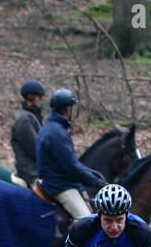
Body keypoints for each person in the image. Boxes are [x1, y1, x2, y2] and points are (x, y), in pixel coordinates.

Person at [36, 88, 106, 220]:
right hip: (59, 185)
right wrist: (95, 182)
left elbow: (72, 162)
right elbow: (71, 166)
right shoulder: (58, 133)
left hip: (59, 181)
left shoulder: (52, 127)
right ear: (68, 110)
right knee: (86, 219)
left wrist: (93, 175)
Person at [10, 80, 44, 188]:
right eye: (39, 96)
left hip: (38, 170)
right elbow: (35, 149)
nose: (42, 99)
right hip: (31, 173)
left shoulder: (33, 117)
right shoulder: (24, 120)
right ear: (30, 97)